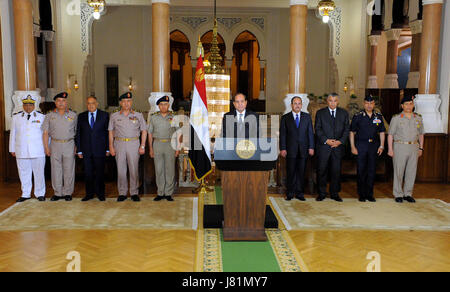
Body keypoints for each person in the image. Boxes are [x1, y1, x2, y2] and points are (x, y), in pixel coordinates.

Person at [108, 92, 147, 202]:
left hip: (133, 144)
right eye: (124, 101)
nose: (126, 103)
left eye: (128, 101)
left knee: (134, 169)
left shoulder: (138, 115)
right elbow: (111, 131)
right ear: (120, 103)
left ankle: (134, 192)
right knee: (121, 170)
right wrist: (111, 146)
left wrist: (142, 146)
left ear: (131, 102)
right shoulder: (114, 116)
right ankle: (122, 192)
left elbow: (144, 130)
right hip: (119, 144)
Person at [9, 95, 46, 202]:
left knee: (39, 173)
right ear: (23, 105)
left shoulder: (41, 117)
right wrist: (12, 148)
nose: (28, 107)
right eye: (26, 104)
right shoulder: (16, 117)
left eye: (30, 104)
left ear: (34, 105)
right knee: (24, 173)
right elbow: (13, 134)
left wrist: (47, 148)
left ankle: (40, 193)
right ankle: (25, 193)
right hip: (21, 150)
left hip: (38, 150)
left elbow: (45, 134)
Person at [388, 96, 424, 203]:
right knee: (399, 171)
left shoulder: (418, 118)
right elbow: (390, 134)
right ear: (402, 106)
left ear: (413, 105)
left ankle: (408, 193)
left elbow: (421, 134)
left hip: (414, 147)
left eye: (410, 104)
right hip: (400, 146)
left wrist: (421, 147)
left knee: (411, 171)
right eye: (406, 104)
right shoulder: (396, 118)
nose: (409, 106)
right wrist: (390, 149)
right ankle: (398, 193)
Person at [349, 96, 386, 202]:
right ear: (364, 104)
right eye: (367, 103)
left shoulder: (378, 116)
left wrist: (382, 145)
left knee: (371, 171)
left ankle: (370, 194)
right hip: (361, 145)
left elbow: (382, 132)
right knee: (361, 170)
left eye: (371, 103)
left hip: (374, 146)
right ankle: (361, 194)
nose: (369, 105)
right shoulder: (358, 116)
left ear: (374, 104)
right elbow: (352, 132)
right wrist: (352, 147)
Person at [42, 92, 77, 202]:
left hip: (69, 144)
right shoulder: (49, 116)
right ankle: (57, 192)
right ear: (55, 102)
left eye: (63, 101)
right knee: (56, 169)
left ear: (66, 102)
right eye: (59, 101)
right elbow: (45, 133)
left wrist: (76, 146)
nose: (61, 103)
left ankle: (68, 192)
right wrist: (46, 148)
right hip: (55, 144)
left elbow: (77, 132)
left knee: (69, 169)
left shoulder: (73, 115)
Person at [315, 93, 350, 202]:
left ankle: (335, 193)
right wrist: (327, 141)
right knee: (322, 171)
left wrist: (340, 141)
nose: (333, 103)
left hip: (338, 148)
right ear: (327, 101)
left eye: (335, 101)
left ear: (338, 102)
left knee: (336, 171)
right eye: (330, 100)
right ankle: (321, 193)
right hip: (324, 147)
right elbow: (318, 129)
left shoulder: (344, 113)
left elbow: (346, 129)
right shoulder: (320, 113)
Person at [280, 96, 315, 201]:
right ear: (291, 105)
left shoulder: (307, 117)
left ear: (301, 105)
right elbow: (283, 135)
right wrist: (283, 148)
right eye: (295, 103)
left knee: (301, 172)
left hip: (304, 149)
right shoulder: (285, 118)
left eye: (299, 103)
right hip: (290, 149)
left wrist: (311, 147)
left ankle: (300, 193)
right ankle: (290, 193)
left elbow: (310, 133)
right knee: (290, 172)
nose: (297, 105)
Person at [76, 96, 110, 202]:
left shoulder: (104, 115)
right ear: (86, 104)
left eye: (93, 103)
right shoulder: (81, 116)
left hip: (100, 150)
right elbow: (79, 134)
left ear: (97, 103)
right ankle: (89, 194)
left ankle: (100, 194)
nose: (91, 105)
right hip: (86, 151)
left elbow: (108, 133)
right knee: (88, 173)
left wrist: (108, 148)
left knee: (100, 173)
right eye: (88, 103)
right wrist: (79, 150)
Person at [148, 96, 180, 202]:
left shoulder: (174, 117)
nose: (163, 106)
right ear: (158, 106)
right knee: (159, 169)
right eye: (161, 104)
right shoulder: (153, 117)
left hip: (170, 145)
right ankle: (160, 192)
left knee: (170, 170)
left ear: (168, 105)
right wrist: (151, 148)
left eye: (165, 104)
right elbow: (150, 133)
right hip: (157, 144)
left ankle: (168, 193)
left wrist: (177, 148)